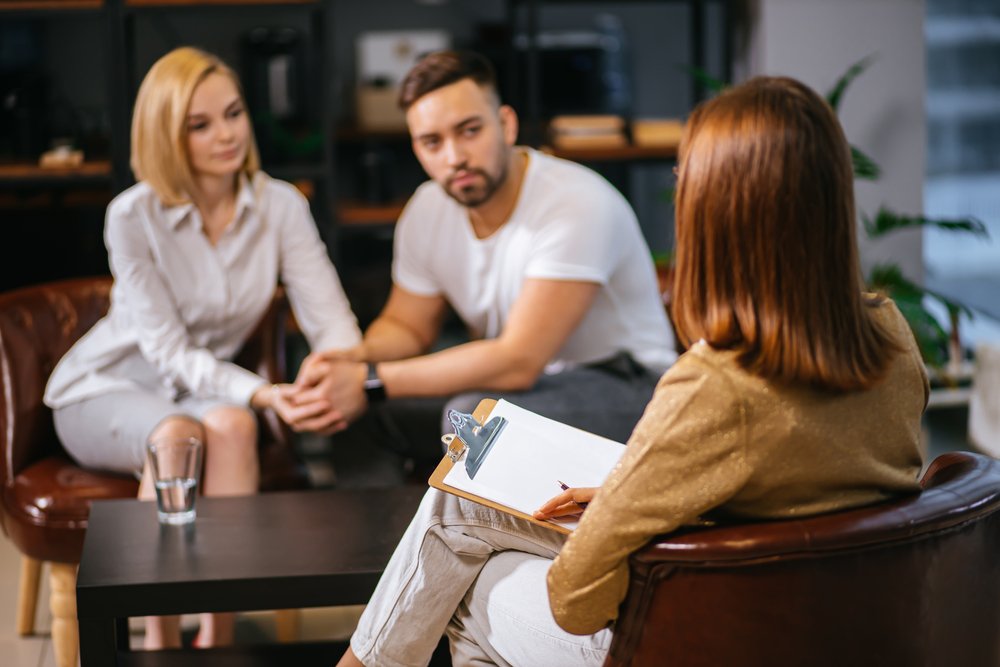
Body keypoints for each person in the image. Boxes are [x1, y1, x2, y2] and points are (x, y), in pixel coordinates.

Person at [335, 75, 928, 667]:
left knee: (471, 584)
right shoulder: (891, 337)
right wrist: (642, 497)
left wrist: (630, 514)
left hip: (711, 637)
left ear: (715, 213)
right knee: (462, 504)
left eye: (684, 176)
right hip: (837, 623)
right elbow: (798, 485)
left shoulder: (714, 382)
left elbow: (577, 601)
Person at [43, 46, 361, 649]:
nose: (227, 134)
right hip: (105, 389)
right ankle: (158, 644)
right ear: (166, 135)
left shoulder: (281, 205)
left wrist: (332, 369)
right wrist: (264, 391)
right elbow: (166, 351)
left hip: (198, 392)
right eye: (200, 123)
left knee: (236, 428)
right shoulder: (131, 216)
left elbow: (332, 320)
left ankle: (216, 639)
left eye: (234, 114)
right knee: (177, 435)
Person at [283, 50, 676, 477]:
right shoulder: (427, 209)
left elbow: (518, 360)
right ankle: (394, 542)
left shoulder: (576, 202)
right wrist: (350, 362)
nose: (454, 157)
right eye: (432, 142)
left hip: (632, 386)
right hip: (526, 384)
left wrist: (369, 382)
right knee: (363, 412)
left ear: (505, 125)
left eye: (469, 131)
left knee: (471, 417)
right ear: (416, 148)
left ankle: (462, 538)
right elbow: (407, 327)